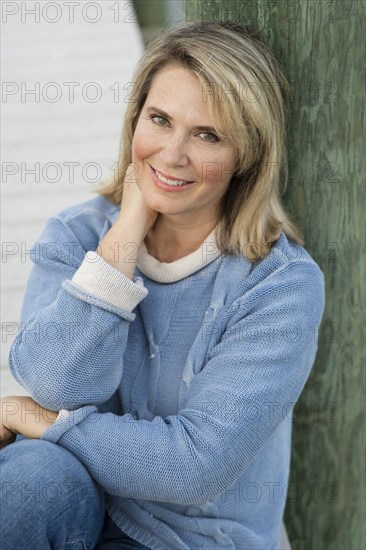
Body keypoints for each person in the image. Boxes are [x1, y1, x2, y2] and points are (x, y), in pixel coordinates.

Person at [0, 21, 325, 550]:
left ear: (246, 154)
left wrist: (32, 419)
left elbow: (192, 468)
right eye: (160, 120)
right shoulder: (78, 234)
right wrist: (126, 234)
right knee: (26, 484)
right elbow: (56, 381)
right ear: (135, 121)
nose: (172, 155)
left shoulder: (279, 285)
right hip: (81, 492)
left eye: (207, 135)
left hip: (190, 537)